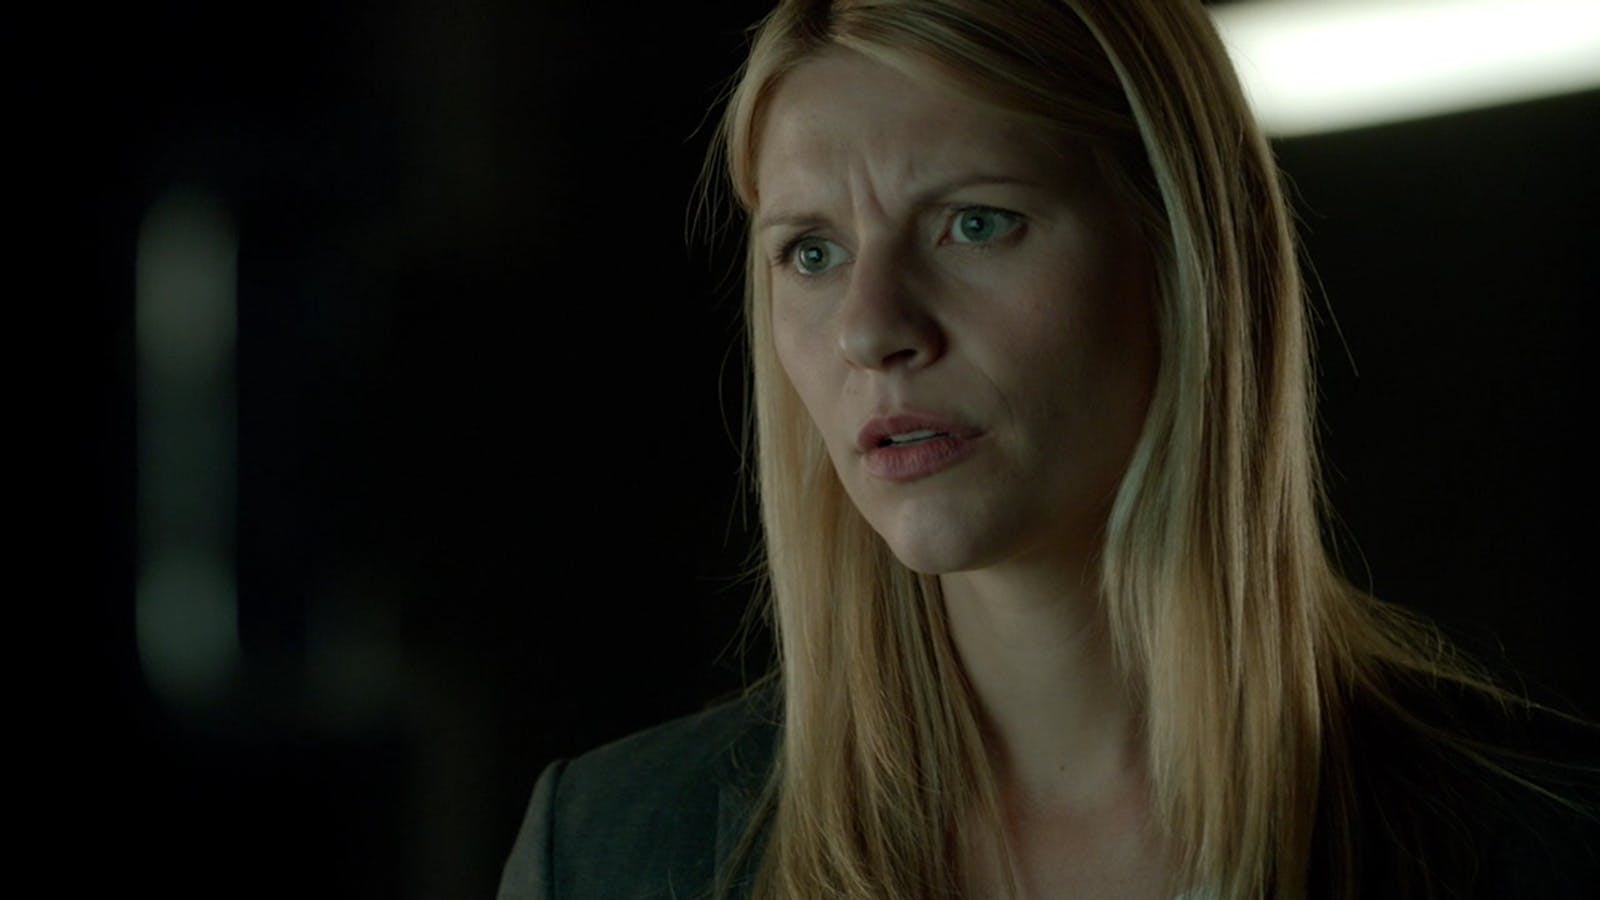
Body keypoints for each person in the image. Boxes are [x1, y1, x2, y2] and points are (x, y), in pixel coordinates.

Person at [499, 1, 1598, 897]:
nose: (873, 328)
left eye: (975, 222)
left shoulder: (1550, 842)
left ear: (1180, 257)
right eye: (813, 252)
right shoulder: (606, 855)